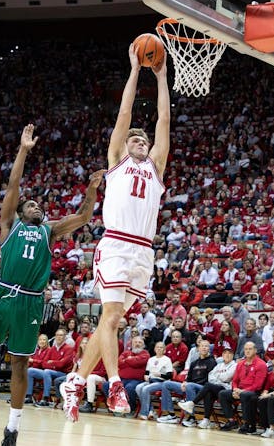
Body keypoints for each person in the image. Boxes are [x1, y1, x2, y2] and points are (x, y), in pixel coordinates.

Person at [0, 124, 103, 446]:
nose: (37, 206)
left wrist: (92, 189)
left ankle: (12, 428)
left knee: (20, 363)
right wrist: (23, 149)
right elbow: (13, 185)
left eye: (39, 205)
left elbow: (84, 216)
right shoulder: (9, 226)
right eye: (31, 205)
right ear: (20, 212)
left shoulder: (50, 230)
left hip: (31, 302)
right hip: (3, 294)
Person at [61, 48, 170, 423]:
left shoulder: (155, 167)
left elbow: (164, 123)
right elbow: (125, 114)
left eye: (143, 141)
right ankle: (114, 383)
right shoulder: (117, 162)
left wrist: (160, 76)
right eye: (134, 141)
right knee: (110, 318)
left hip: (143, 252)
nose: (140, 143)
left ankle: (74, 380)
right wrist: (135, 71)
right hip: (117, 243)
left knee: (114, 321)